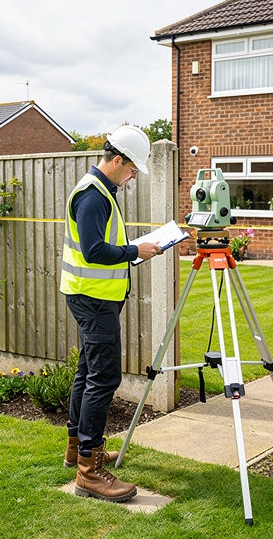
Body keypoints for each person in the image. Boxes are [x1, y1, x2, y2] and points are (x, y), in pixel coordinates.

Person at [59, 124, 161, 502]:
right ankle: (89, 471)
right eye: (133, 169)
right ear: (118, 160)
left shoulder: (101, 190)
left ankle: (79, 451)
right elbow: (93, 251)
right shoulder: (93, 196)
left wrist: (131, 249)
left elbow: (101, 246)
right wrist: (137, 252)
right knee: (103, 379)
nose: (134, 176)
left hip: (92, 296)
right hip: (93, 299)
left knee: (88, 372)